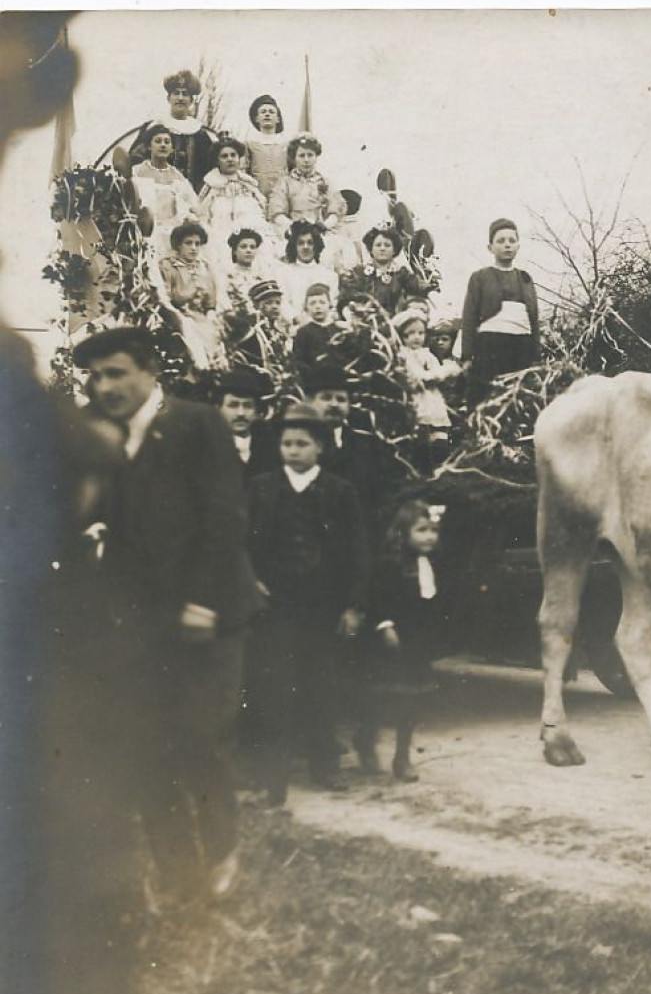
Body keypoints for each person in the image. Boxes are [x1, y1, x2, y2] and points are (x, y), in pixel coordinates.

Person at [72, 327, 260, 908]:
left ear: (150, 372)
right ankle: (177, 873)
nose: (105, 387)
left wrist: (202, 602)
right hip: (140, 622)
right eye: (97, 377)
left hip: (210, 613)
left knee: (200, 736)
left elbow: (224, 516)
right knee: (147, 746)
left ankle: (222, 853)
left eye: (117, 373)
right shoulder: (98, 437)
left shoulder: (197, 423)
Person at [247, 402, 369, 803]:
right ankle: (273, 773)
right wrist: (251, 580)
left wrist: (352, 606)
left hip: (322, 607)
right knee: (274, 687)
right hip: (275, 606)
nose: (293, 450)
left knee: (321, 685)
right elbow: (242, 542)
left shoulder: (340, 491)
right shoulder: (263, 488)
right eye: (286, 443)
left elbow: (355, 552)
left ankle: (325, 765)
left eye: (302, 443)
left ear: (320, 447)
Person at [354, 500, 448, 782]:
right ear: (403, 532)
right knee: (381, 696)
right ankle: (365, 738)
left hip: (417, 641)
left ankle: (402, 757)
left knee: (413, 698)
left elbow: (432, 603)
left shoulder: (433, 564)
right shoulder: (390, 563)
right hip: (390, 640)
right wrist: (386, 625)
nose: (429, 536)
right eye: (421, 530)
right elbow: (379, 597)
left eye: (433, 530)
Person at [302, 362, 407, 544]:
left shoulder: (368, 448)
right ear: (309, 402)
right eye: (326, 398)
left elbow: (384, 501)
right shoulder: (290, 448)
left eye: (341, 399)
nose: (334, 404)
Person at [460, 217, 540, 406]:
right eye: (501, 241)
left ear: (518, 246)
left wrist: (536, 354)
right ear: (490, 247)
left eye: (512, 241)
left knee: (518, 396)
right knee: (489, 396)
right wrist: (467, 354)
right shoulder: (480, 277)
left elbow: (534, 318)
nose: (507, 246)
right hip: (491, 345)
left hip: (521, 345)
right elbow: (469, 316)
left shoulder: (525, 278)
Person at [122, 69, 218, 193]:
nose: (180, 98)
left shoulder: (200, 134)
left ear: (191, 101)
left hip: (189, 196)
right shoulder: (153, 128)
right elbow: (135, 161)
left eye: (185, 94)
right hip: (155, 193)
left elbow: (209, 170)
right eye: (176, 93)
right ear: (169, 98)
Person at [393, 307, 460, 474]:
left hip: (434, 405)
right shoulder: (403, 357)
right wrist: (446, 370)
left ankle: (438, 479)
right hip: (417, 405)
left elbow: (439, 377)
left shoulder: (428, 355)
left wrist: (444, 373)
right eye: (410, 333)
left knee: (440, 447)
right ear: (402, 337)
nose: (416, 337)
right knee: (421, 449)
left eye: (421, 333)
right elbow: (421, 378)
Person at [197, 138, 268, 280]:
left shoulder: (249, 184)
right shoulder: (211, 184)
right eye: (224, 156)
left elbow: (262, 207)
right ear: (217, 161)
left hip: (250, 234)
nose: (229, 159)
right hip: (221, 234)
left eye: (233, 155)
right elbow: (202, 213)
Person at [130, 123, 199, 258]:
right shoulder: (137, 172)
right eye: (158, 141)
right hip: (146, 234)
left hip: (173, 235)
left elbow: (194, 207)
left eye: (167, 142)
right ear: (149, 146)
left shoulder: (178, 177)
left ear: (172, 148)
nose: (163, 145)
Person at [159, 221, 219, 369]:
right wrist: (180, 317)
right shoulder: (167, 266)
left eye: (197, 244)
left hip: (202, 318)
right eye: (188, 243)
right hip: (178, 318)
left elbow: (210, 301)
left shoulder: (205, 267)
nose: (193, 248)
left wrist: (211, 316)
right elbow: (164, 299)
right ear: (178, 245)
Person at [339, 224, 433, 317]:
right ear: (371, 250)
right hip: (365, 318)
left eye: (387, 245)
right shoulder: (359, 273)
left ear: (394, 250)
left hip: (394, 320)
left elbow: (417, 288)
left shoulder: (402, 274)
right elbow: (348, 297)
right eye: (378, 245)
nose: (382, 248)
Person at [268, 133, 344, 235]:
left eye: (310, 155)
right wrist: (295, 227)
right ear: (294, 158)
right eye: (301, 155)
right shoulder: (284, 183)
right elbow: (277, 213)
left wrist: (324, 226)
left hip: (320, 231)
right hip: (293, 232)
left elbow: (335, 210)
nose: (306, 160)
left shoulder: (325, 182)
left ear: (316, 157)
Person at [212, 366, 278, 484]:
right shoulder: (206, 450)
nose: (240, 413)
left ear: (257, 411)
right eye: (233, 405)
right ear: (218, 409)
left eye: (247, 406)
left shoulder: (272, 448)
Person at [278, 219, 338, 323]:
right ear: (294, 247)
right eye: (300, 243)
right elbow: (283, 303)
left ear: (316, 246)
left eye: (310, 243)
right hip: (294, 326)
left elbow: (333, 305)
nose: (305, 247)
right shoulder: (284, 273)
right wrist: (297, 319)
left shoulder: (329, 275)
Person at [245, 94, 288, 200]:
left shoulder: (286, 145)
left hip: (282, 196)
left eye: (271, 112)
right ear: (257, 118)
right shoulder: (249, 144)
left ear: (277, 119)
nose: (267, 114)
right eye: (263, 112)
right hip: (257, 196)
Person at [291, 283, 340, 373]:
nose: (318, 307)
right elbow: (298, 360)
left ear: (329, 305)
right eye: (312, 303)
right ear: (306, 308)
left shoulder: (338, 329)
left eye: (322, 302)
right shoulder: (303, 332)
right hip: (315, 383)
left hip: (342, 381)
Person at [223, 227, 265, 304]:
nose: (249, 250)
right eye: (243, 246)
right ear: (235, 250)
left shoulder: (261, 277)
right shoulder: (226, 275)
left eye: (252, 247)